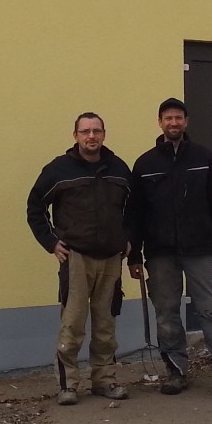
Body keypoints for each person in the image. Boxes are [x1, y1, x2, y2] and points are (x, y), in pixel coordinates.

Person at [129, 98, 212, 401]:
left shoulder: (204, 158)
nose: (173, 123)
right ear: (159, 122)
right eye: (168, 118)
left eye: (179, 118)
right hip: (160, 254)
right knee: (167, 314)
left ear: (186, 122)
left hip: (201, 250)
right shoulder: (144, 164)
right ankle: (175, 372)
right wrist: (134, 256)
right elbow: (135, 215)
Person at [26, 112, 135, 406]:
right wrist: (50, 243)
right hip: (75, 257)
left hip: (111, 258)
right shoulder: (59, 170)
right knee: (73, 323)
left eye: (96, 131)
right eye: (85, 131)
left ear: (104, 134)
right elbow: (35, 207)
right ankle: (68, 385)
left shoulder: (119, 168)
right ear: (75, 135)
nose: (91, 137)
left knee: (105, 323)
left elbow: (135, 209)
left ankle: (104, 380)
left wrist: (128, 239)